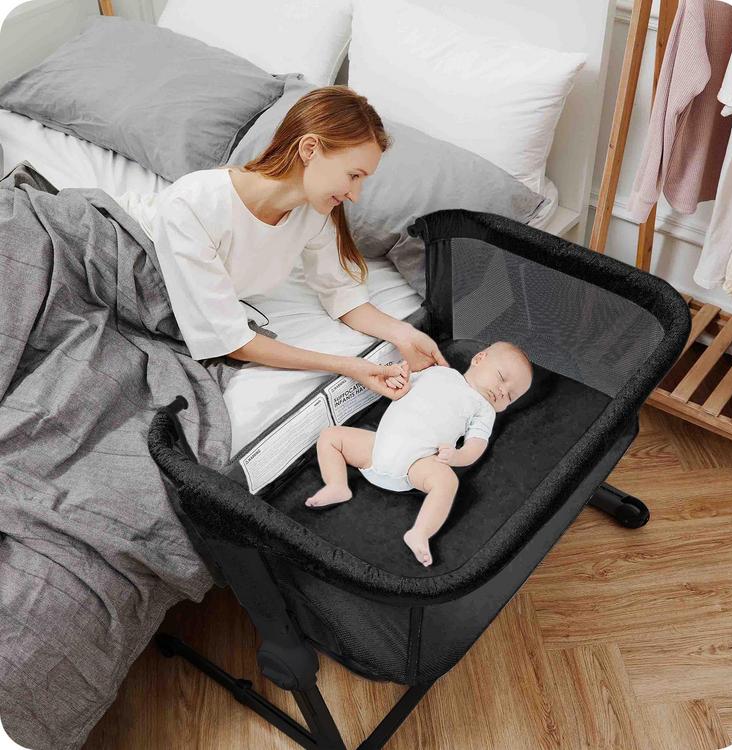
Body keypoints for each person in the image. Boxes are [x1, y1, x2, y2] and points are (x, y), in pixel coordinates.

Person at [113, 85, 448, 400]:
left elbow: (341, 294)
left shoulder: (313, 213)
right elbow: (232, 341)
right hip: (115, 253)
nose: (355, 195)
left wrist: (404, 334)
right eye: (353, 175)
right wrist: (350, 366)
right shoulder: (195, 203)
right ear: (310, 149)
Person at [305, 341, 534, 567]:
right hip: (376, 448)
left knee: (446, 482)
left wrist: (456, 456)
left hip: (416, 465)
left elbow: (476, 446)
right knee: (330, 436)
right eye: (501, 378)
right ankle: (337, 485)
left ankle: (420, 533)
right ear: (479, 359)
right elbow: (403, 386)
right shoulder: (438, 372)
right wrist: (399, 380)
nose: (503, 391)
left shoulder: (484, 410)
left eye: (510, 396)